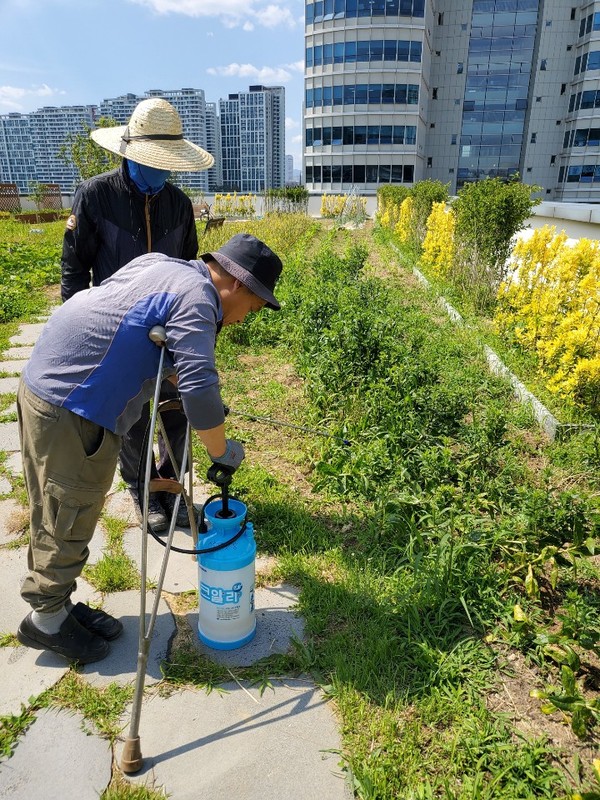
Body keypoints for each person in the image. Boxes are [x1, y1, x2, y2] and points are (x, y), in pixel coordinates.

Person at [16, 233, 283, 664]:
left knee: (58, 507)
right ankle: (45, 619)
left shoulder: (166, 266)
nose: (241, 319)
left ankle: (58, 604)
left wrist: (203, 400)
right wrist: (221, 448)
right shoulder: (199, 298)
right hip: (74, 405)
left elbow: (141, 333)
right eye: (251, 308)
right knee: (68, 509)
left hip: (49, 384)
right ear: (238, 285)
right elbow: (198, 385)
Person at [61, 97, 214, 534]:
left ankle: (171, 488)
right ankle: (142, 488)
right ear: (129, 154)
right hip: (117, 330)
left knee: (179, 409)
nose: (159, 172)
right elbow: (75, 269)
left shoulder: (179, 207)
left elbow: (191, 272)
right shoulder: (95, 197)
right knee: (132, 418)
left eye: (167, 164)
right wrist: (78, 332)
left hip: (170, 332)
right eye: (153, 162)